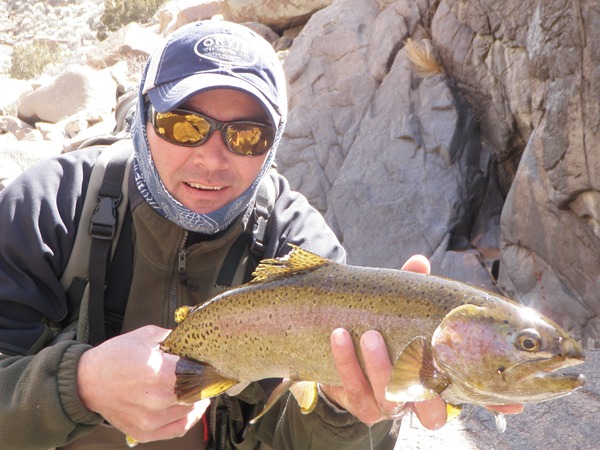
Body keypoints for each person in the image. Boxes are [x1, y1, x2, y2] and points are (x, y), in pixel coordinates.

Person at [0, 20, 521, 450]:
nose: (212, 156)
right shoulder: (46, 208)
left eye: (247, 136)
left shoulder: (299, 248)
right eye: (184, 125)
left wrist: (348, 414)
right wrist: (79, 385)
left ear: (273, 145)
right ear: (141, 118)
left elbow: (288, 441)